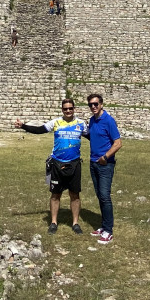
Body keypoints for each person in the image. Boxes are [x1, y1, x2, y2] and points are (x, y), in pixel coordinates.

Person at [14, 99, 86, 234]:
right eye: (65, 109)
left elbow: (93, 137)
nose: (68, 111)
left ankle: (75, 223)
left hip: (74, 163)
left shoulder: (81, 124)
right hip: (57, 163)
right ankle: (53, 222)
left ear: (74, 109)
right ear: (62, 110)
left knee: (75, 195)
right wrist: (23, 126)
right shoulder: (56, 122)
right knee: (55, 194)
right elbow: (40, 129)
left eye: (70, 108)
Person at [84, 93, 122, 245]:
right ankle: (104, 226)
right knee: (100, 195)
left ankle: (108, 231)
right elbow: (93, 137)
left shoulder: (109, 121)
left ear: (101, 104)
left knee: (105, 196)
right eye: (90, 105)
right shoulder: (92, 121)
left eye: (95, 104)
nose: (93, 107)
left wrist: (105, 157)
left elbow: (118, 143)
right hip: (93, 163)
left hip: (105, 164)